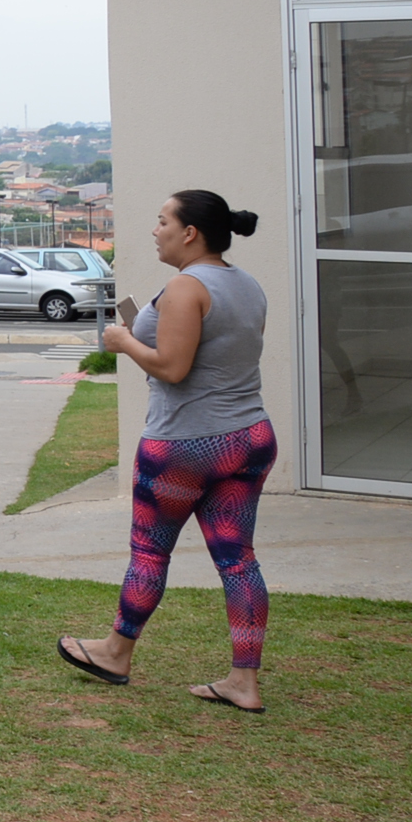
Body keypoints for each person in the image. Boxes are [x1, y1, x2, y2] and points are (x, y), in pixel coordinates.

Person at [58, 189, 274, 713]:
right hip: (248, 437)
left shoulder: (186, 286)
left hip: (185, 443)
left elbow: (173, 369)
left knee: (151, 553)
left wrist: (123, 342)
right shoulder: (245, 284)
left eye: (162, 222)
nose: (155, 230)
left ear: (190, 233)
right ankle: (243, 682)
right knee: (238, 560)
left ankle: (115, 652)